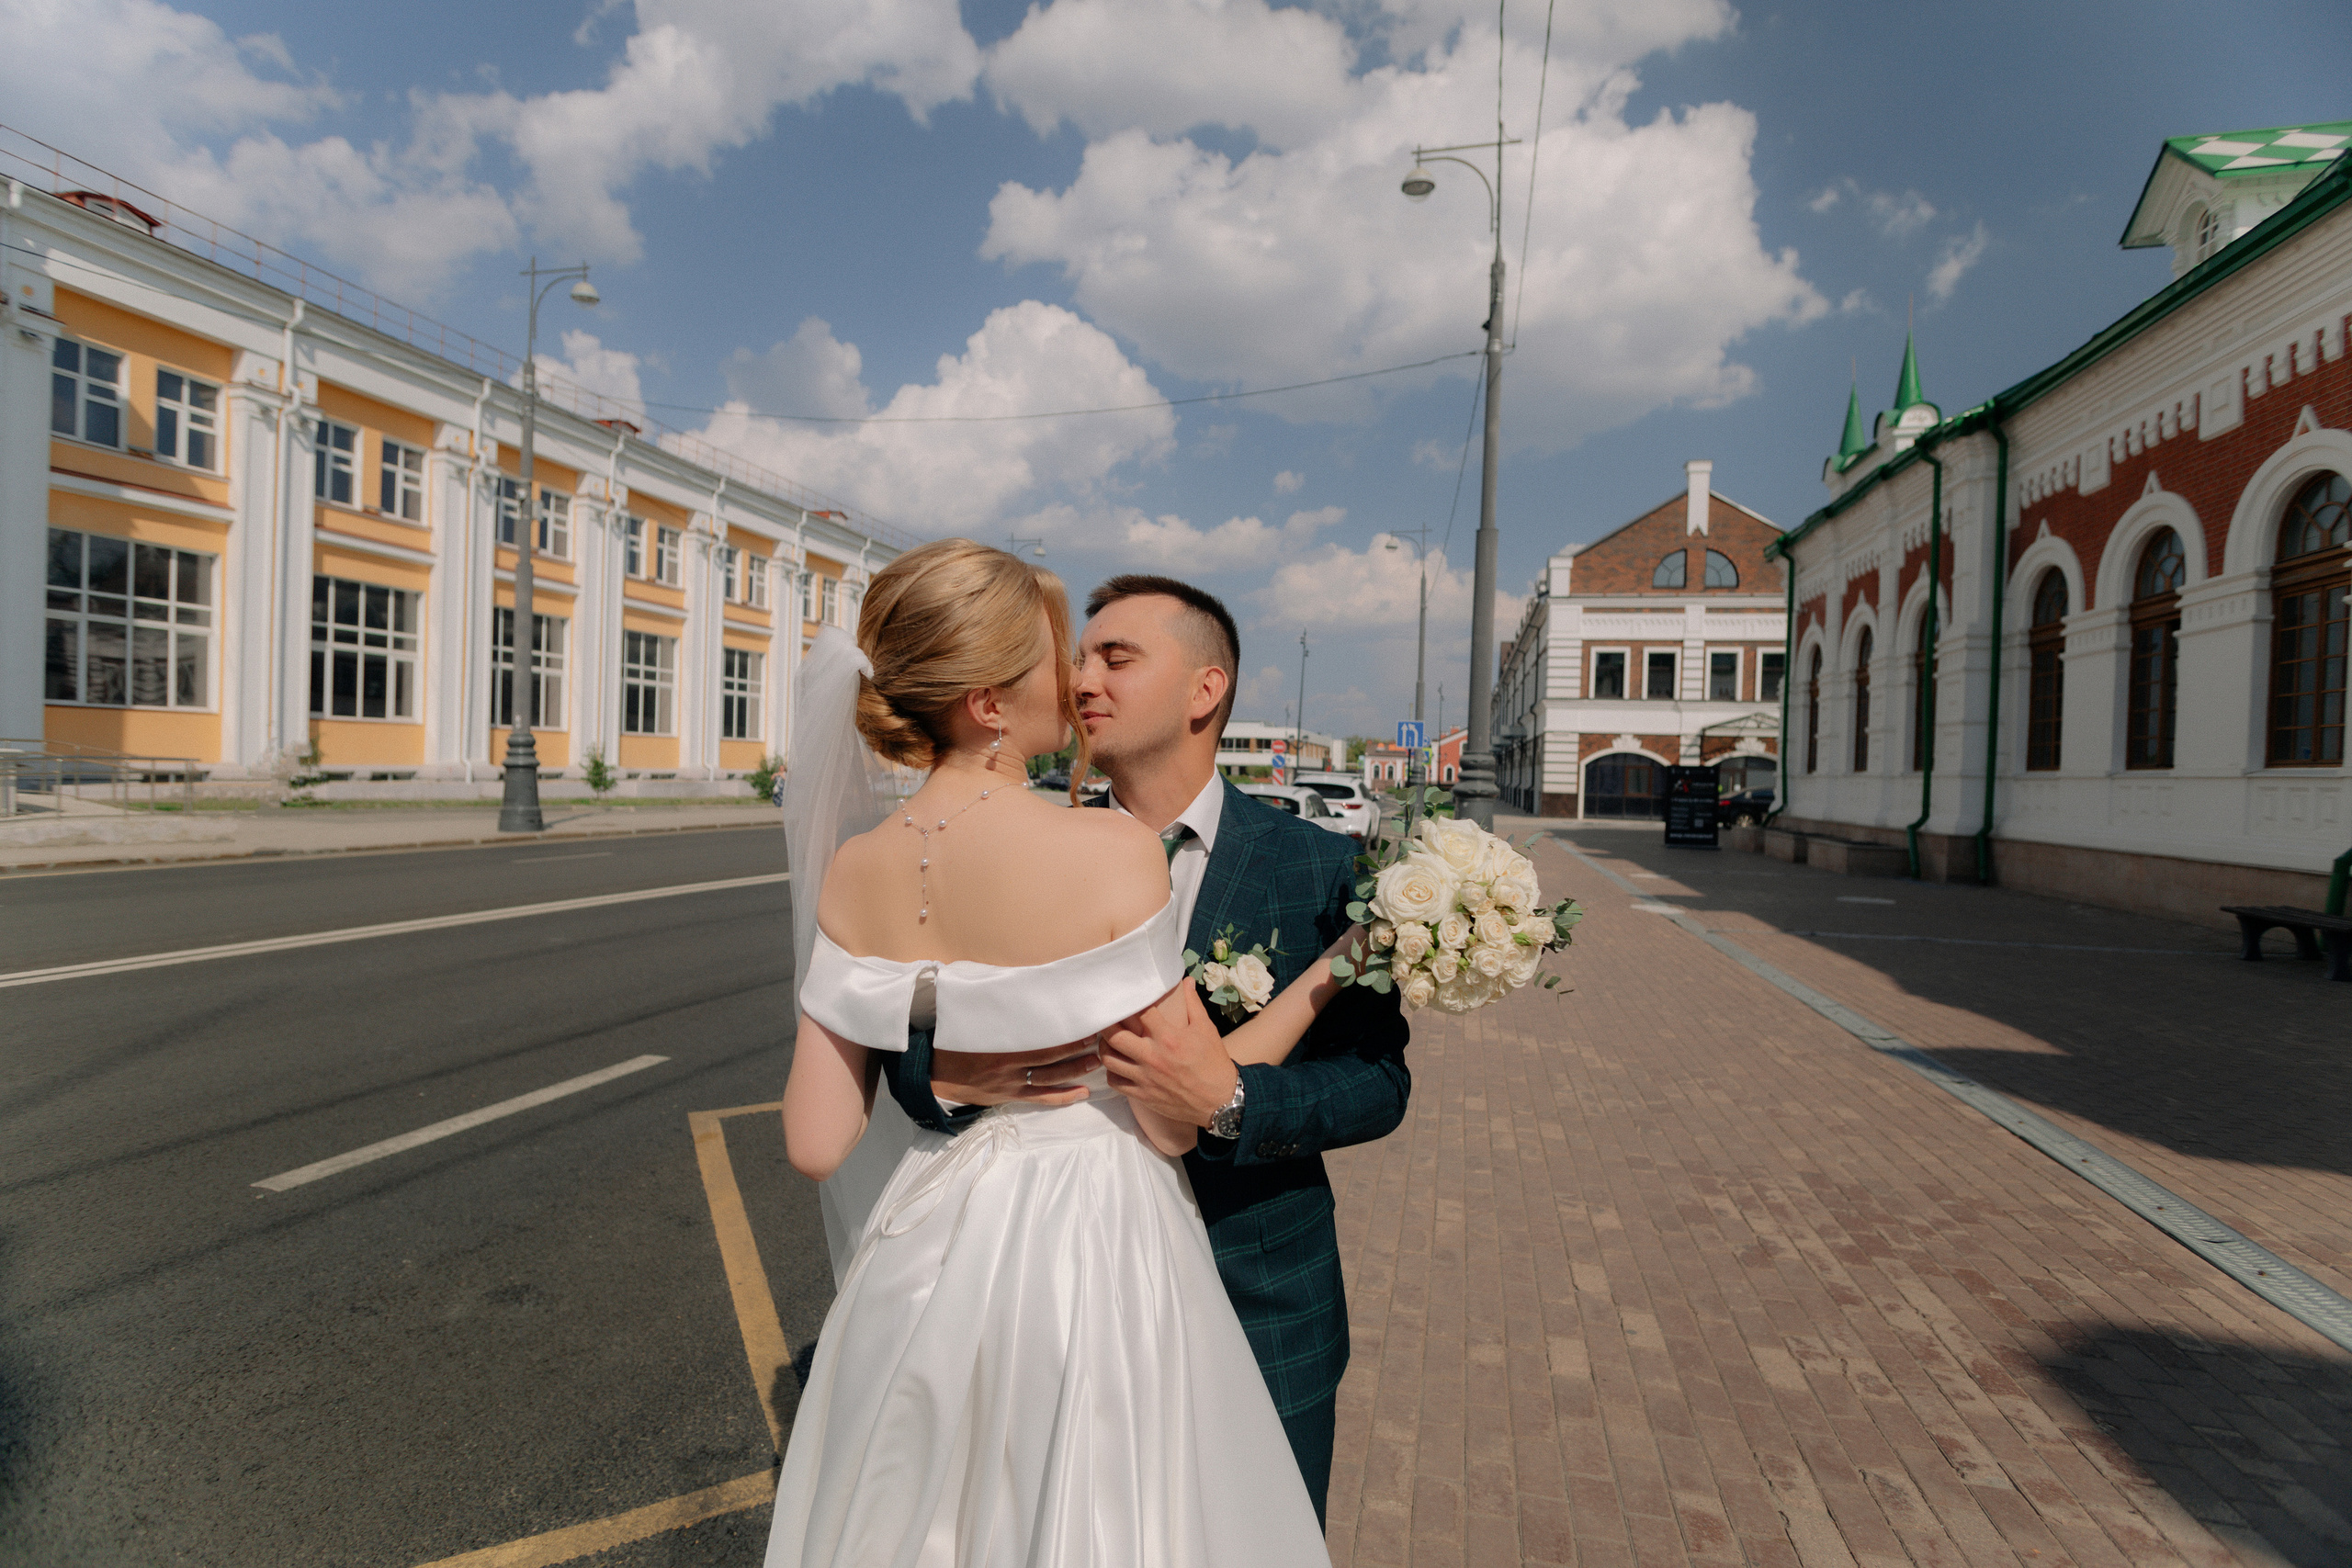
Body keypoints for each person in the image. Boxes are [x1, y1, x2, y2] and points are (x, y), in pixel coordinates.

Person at [769, 540, 1365, 1568]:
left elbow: (818, 1140)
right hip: (1091, 1243)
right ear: (991, 702)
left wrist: (948, 1070)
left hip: (926, 1252)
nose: (1077, 680)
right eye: (1057, 654)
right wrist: (1328, 975)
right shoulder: (1107, 854)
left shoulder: (851, 871)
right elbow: (1174, 1108)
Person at [895, 574, 1412, 1525]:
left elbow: (1377, 1081)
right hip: (1054, 1302)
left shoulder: (1315, 867)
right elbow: (911, 1022)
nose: (1080, 677)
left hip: (1258, 1295)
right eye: (1079, 657)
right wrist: (947, 1083)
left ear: (1204, 690)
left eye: (1115, 657)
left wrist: (1235, 1102)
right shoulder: (1010, 840)